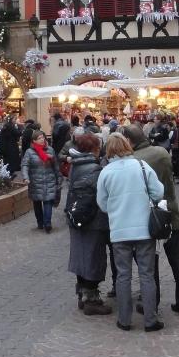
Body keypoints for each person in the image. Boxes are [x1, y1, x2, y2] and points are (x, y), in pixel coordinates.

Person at [96, 133, 165, 332]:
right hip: (144, 229)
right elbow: (158, 192)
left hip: (120, 230)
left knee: (123, 275)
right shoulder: (142, 166)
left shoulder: (106, 172)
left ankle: (124, 319)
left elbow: (102, 203)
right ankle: (150, 320)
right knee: (147, 274)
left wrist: (116, 209)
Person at [124, 125, 179, 316]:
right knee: (177, 259)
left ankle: (152, 301)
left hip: (148, 215)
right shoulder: (162, 153)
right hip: (170, 210)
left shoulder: (133, 161)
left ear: (129, 141)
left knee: (149, 261)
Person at [64, 133, 111, 315]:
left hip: (76, 216)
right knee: (94, 257)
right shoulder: (94, 169)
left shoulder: (76, 165)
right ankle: (91, 299)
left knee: (81, 255)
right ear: (94, 149)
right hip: (93, 219)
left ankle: (82, 293)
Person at [21, 127, 61, 233]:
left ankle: (47, 223)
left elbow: (56, 166)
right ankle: (40, 222)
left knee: (48, 202)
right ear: (34, 141)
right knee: (37, 203)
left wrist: (59, 177)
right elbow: (25, 165)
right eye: (39, 138)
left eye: (43, 137)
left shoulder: (50, 150)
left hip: (49, 179)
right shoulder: (29, 152)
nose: (42, 139)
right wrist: (26, 177)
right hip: (35, 182)